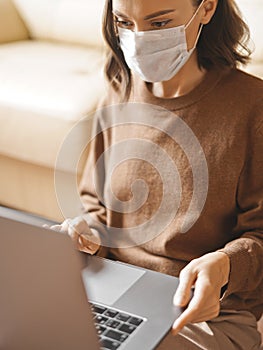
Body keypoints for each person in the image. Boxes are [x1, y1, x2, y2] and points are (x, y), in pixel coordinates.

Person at [52, 0, 263, 348]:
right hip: (113, 285)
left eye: (160, 23)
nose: (139, 39)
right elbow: (97, 205)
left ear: (207, 9)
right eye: (124, 22)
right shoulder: (119, 92)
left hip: (204, 310)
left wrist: (226, 264)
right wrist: (87, 229)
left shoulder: (252, 108)